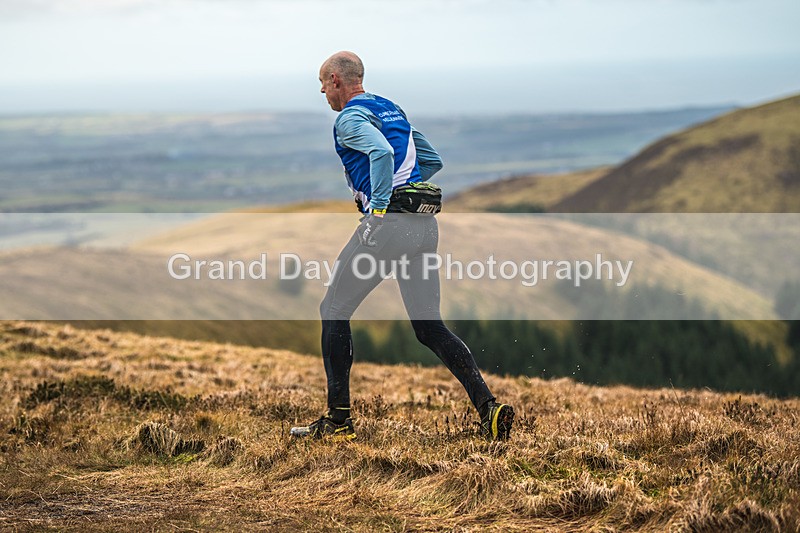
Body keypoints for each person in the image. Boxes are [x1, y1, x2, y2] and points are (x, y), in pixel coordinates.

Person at [290, 51, 514, 441]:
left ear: (336, 80)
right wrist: (405, 187)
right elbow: (431, 159)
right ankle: (488, 409)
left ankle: (338, 422)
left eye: (323, 84)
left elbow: (380, 152)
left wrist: (378, 209)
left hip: (389, 226)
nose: (323, 92)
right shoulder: (390, 108)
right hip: (423, 227)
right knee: (429, 326)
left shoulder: (349, 118)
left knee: (333, 309)